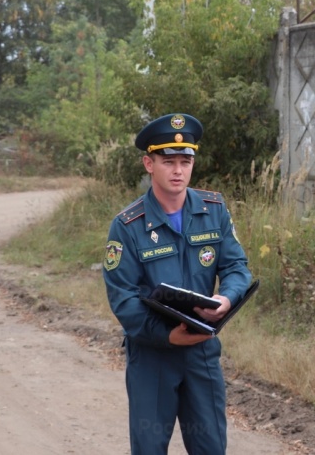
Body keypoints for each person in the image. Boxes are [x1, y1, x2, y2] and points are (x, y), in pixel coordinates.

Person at [103, 112, 252, 455]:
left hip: (201, 349)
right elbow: (122, 298)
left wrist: (226, 299)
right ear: (148, 163)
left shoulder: (214, 210)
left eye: (185, 161)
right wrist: (166, 335)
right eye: (168, 161)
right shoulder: (128, 225)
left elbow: (236, 268)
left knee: (211, 447)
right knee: (150, 448)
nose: (178, 170)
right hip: (153, 355)